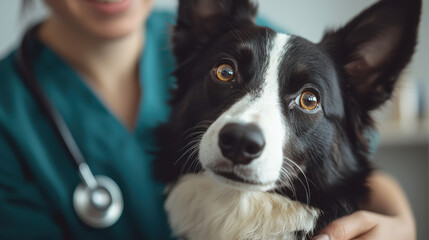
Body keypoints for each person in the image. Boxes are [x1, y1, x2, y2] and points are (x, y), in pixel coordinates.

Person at [0, 0, 416, 239]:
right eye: (226, 74)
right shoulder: (9, 110)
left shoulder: (259, 42)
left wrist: (402, 223)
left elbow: (352, 166)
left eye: (307, 99)